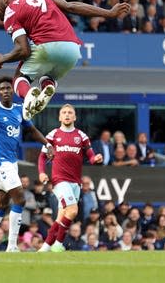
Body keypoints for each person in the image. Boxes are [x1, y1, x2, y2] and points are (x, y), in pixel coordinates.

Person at [0, 0, 130, 120]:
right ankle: (48, 87)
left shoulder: (10, 13)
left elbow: (23, 50)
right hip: (72, 50)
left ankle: (29, 96)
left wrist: (2, 58)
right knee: (48, 75)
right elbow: (71, 6)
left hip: (46, 47)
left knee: (18, 78)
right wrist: (109, 13)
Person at [0, 76, 53, 252]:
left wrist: (47, 144)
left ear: (13, 91)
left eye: (8, 88)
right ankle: (12, 245)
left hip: (12, 163)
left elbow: (31, 130)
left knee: (1, 205)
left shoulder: (19, 110)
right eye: (2, 89)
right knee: (20, 199)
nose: (6, 91)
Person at [37, 104, 103, 252]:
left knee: (62, 217)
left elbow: (90, 156)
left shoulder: (81, 136)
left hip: (75, 183)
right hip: (59, 180)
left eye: (70, 112)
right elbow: (42, 157)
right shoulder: (53, 135)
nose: (67, 115)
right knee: (73, 210)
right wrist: (41, 172)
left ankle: (46, 247)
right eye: (64, 113)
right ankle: (58, 243)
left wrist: (96, 159)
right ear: (60, 117)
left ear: (74, 117)